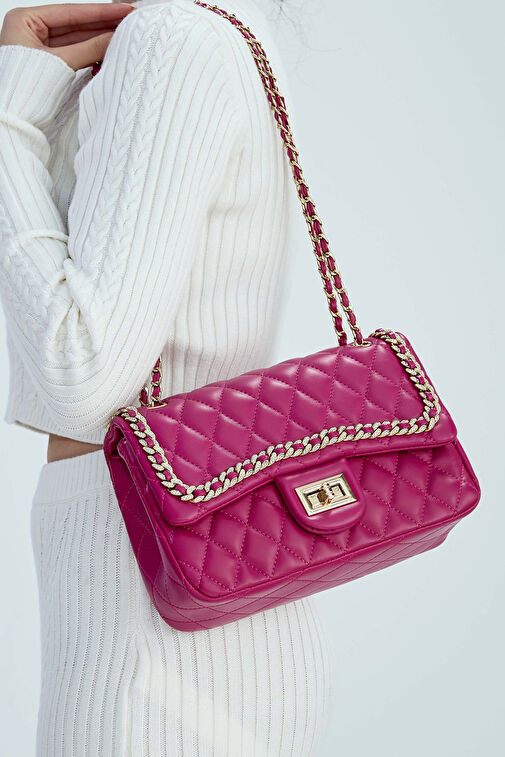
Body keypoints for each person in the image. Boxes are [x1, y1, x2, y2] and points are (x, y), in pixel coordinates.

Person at [0, 0, 336, 754]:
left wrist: (7, 119)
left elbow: (80, 370)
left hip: (154, 636)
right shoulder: (224, 31)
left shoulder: (170, 39)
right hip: (213, 613)